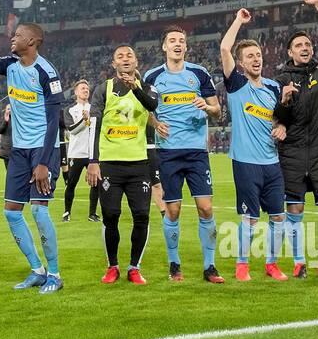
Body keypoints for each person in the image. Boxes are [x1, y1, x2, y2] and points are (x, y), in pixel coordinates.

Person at [0, 0, 65, 294]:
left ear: (33, 42)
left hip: (42, 151)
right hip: (19, 151)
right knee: (12, 212)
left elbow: (54, 121)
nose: (13, 38)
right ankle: (37, 269)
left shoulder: (46, 73)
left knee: (39, 211)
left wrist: (42, 161)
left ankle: (54, 274)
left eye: (19, 35)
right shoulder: (11, 64)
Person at [143, 27, 223, 283]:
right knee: (173, 210)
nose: (178, 44)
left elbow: (218, 110)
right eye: (172, 41)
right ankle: (174, 264)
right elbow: (145, 110)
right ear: (164, 46)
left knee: (206, 207)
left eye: (182, 41)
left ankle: (210, 267)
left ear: (186, 47)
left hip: (196, 151)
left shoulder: (199, 74)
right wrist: (155, 124)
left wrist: (207, 107)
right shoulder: (153, 76)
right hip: (167, 152)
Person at [274, 0, 318, 279]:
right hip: (292, 153)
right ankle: (299, 261)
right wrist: (283, 103)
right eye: (298, 45)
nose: (304, 47)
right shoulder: (279, 80)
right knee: (296, 210)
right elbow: (277, 119)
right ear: (289, 52)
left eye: (307, 44)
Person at [219, 9, 290, 282]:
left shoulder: (273, 87)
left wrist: (282, 126)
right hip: (246, 161)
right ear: (240, 62)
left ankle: (272, 264)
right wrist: (239, 21)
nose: (256, 59)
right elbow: (225, 47)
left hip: (272, 161)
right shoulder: (236, 84)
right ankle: (242, 265)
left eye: (258, 55)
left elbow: (280, 119)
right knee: (250, 219)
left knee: (278, 218)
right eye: (249, 56)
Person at [87, 46, 160, 284]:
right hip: (109, 163)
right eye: (120, 56)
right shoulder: (103, 89)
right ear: (113, 64)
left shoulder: (147, 88)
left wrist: (135, 87)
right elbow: (94, 126)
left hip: (138, 163)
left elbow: (151, 106)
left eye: (129, 55)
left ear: (136, 61)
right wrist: (93, 161)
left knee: (141, 215)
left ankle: (134, 267)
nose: (125, 59)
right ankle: (112, 266)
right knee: (111, 215)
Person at [60, 81, 95, 222]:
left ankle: (92, 214)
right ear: (76, 92)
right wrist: (84, 120)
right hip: (76, 153)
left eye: (87, 88)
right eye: (82, 88)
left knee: (95, 183)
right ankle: (67, 212)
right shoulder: (69, 110)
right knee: (71, 184)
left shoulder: (95, 108)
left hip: (92, 153)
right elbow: (71, 130)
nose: (86, 90)